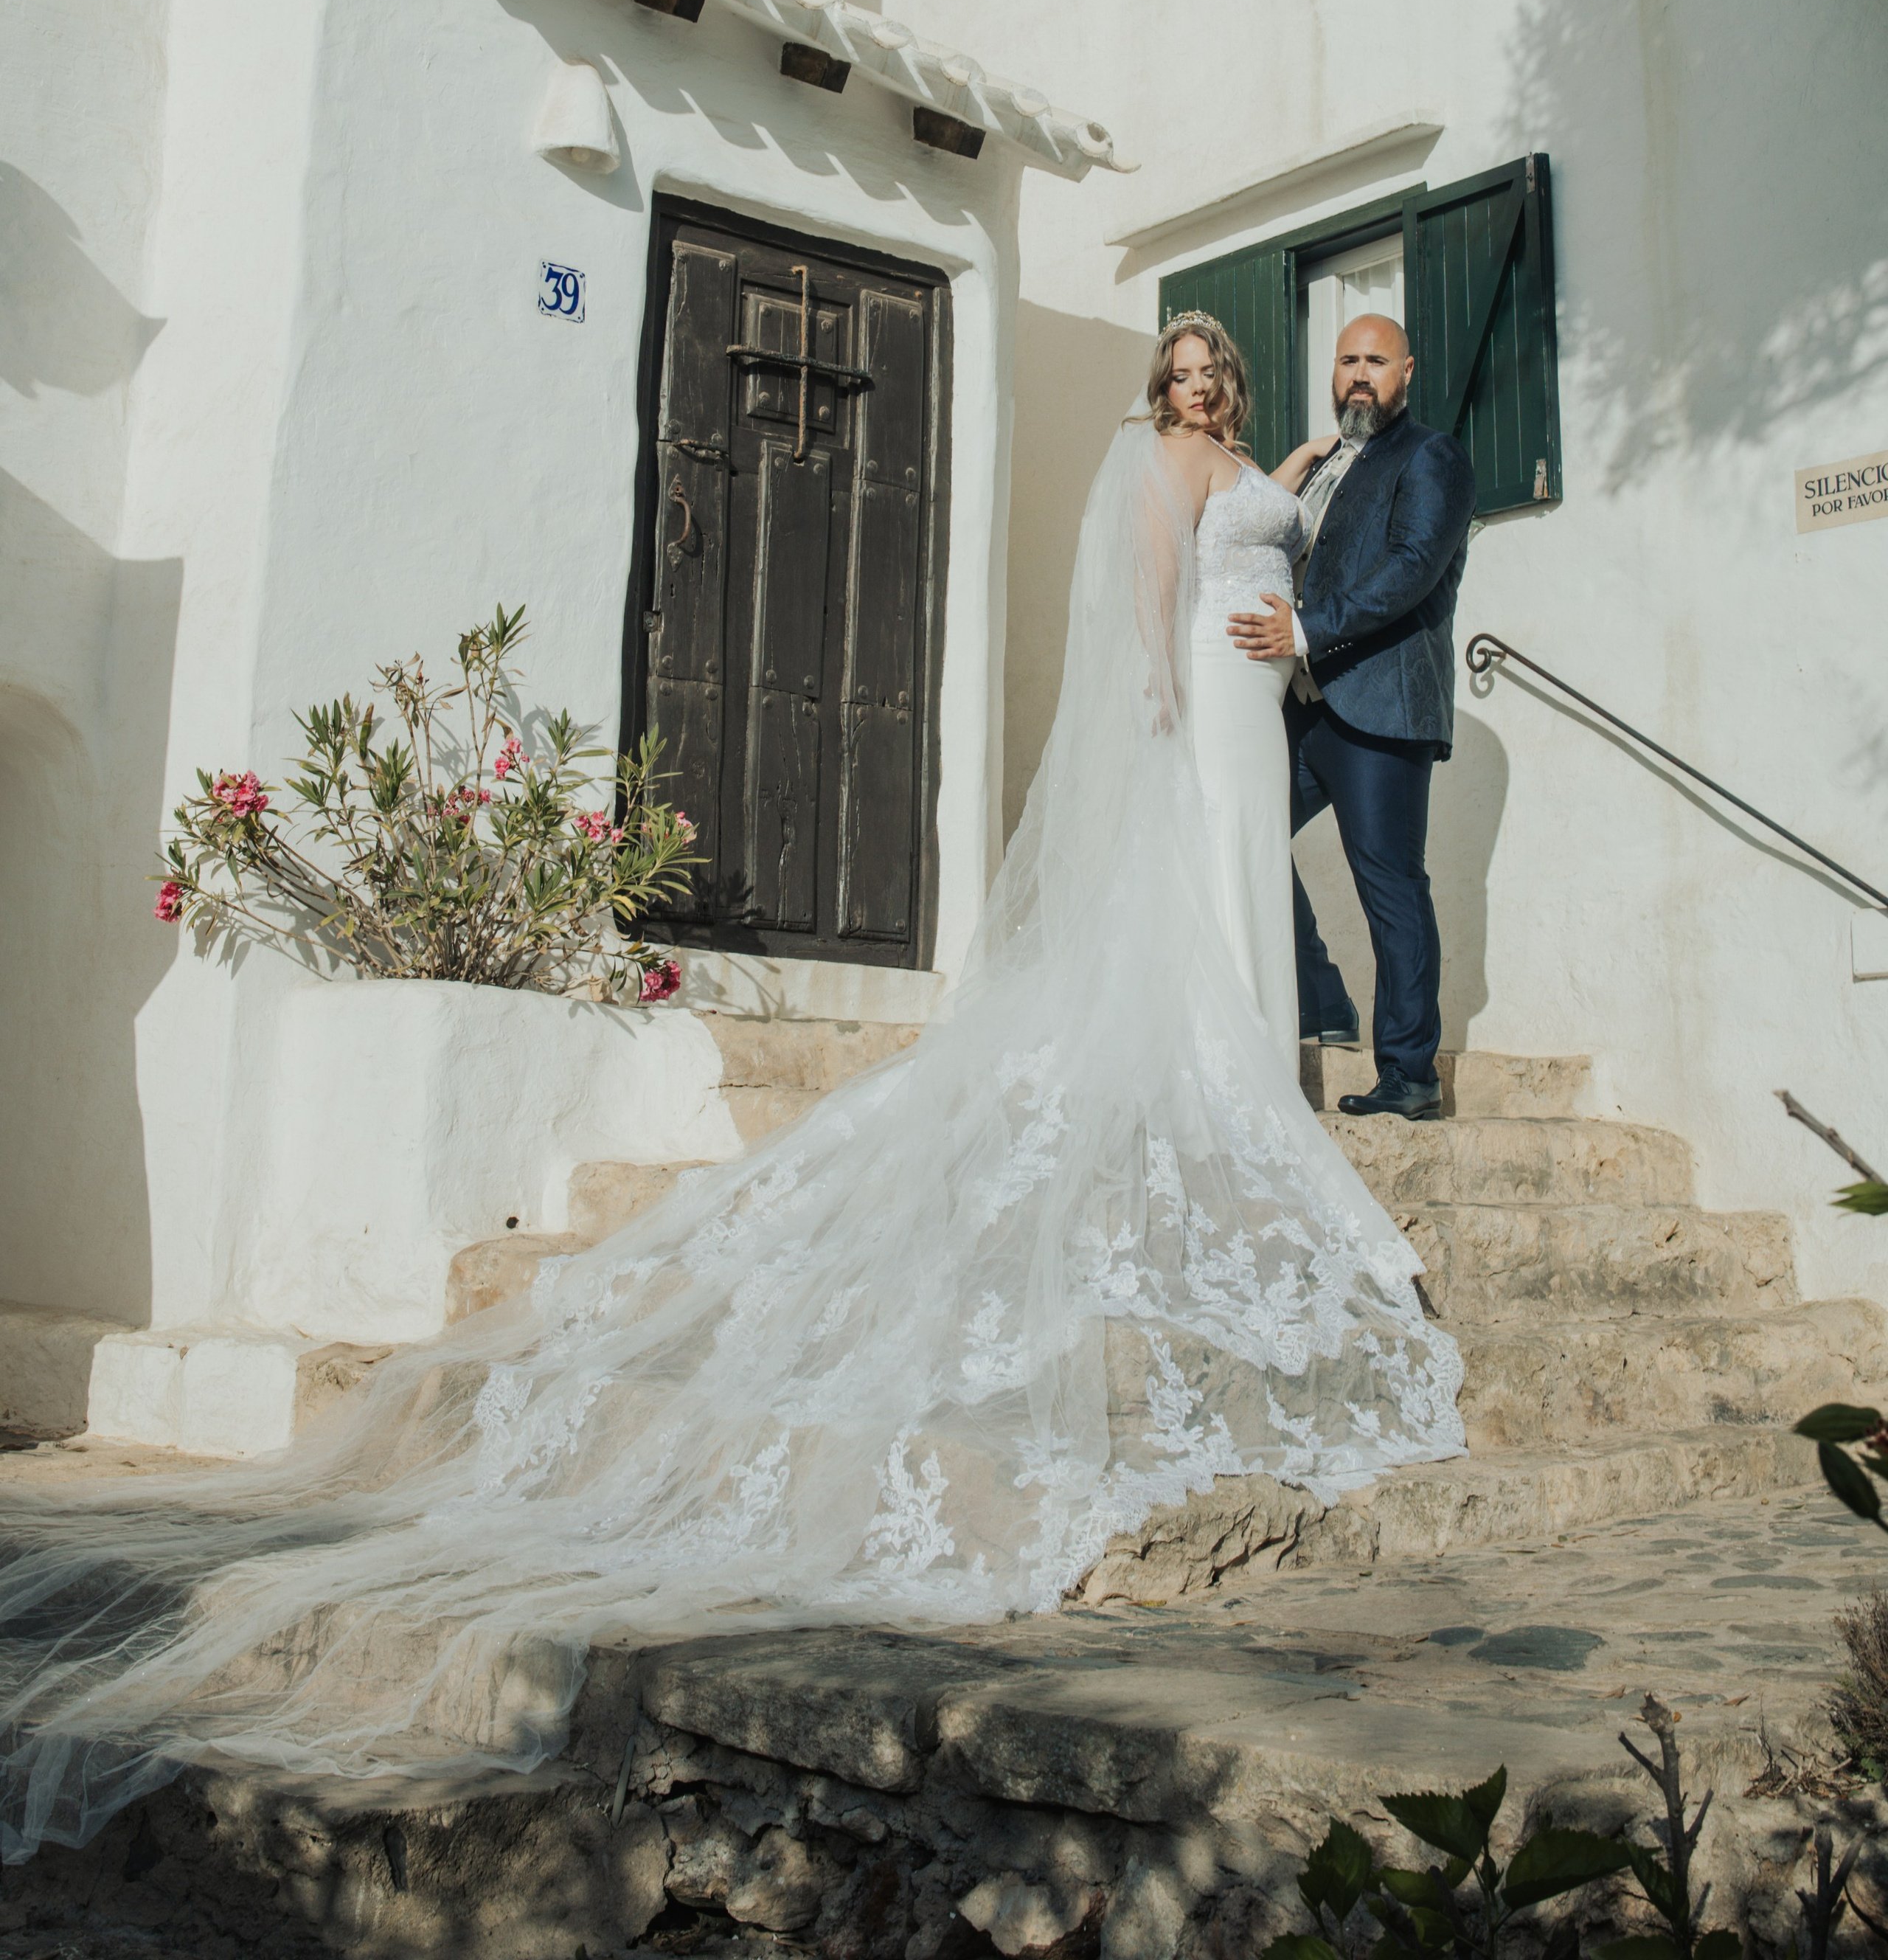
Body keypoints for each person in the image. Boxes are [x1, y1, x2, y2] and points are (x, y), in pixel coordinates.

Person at [0, 319, 1463, 1863]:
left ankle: (1271, 1040)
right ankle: (1228, 1044)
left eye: (1206, 370)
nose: (1190, 386)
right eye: (1173, 368)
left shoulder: (1265, 462)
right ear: (1161, 389)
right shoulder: (1164, 462)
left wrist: (1292, 483)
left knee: (1273, 871)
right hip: (1208, 685)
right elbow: (1161, 575)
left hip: (1266, 694)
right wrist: (1165, 690)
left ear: (1237, 386)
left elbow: (1285, 507)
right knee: (1226, 874)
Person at [1226, 314, 1478, 1123]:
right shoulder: (1330, 463)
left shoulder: (1430, 456)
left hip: (1382, 708)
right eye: (1346, 361)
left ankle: (1410, 1072)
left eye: (1375, 360)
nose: (1358, 374)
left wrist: (1301, 630)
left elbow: (1412, 567)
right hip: (1306, 702)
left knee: (1391, 887)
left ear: (1406, 370)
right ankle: (1322, 996)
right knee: (1244, 831)